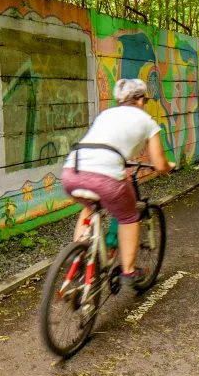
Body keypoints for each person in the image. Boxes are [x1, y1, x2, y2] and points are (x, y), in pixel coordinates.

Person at [62, 78, 175, 290]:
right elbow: (159, 164)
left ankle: (79, 255)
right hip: (106, 176)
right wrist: (169, 165)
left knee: (89, 206)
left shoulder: (105, 115)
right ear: (140, 100)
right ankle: (129, 271)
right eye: (146, 99)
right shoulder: (146, 121)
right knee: (129, 215)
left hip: (72, 171)